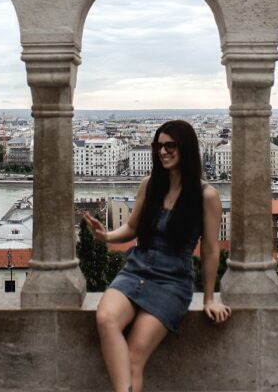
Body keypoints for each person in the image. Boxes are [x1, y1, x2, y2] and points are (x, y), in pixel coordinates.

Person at [83, 120, 231, 392]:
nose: (162, 151)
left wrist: (210, 297)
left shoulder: (205, 196)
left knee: (134, 357)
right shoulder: (149, 185)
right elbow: (132, 228)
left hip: (171, 282)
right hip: (135, 271)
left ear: (186, 149)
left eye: (170, 146)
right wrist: (106, 237)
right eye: (159, 146)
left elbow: (211, 249)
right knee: (105, 317)